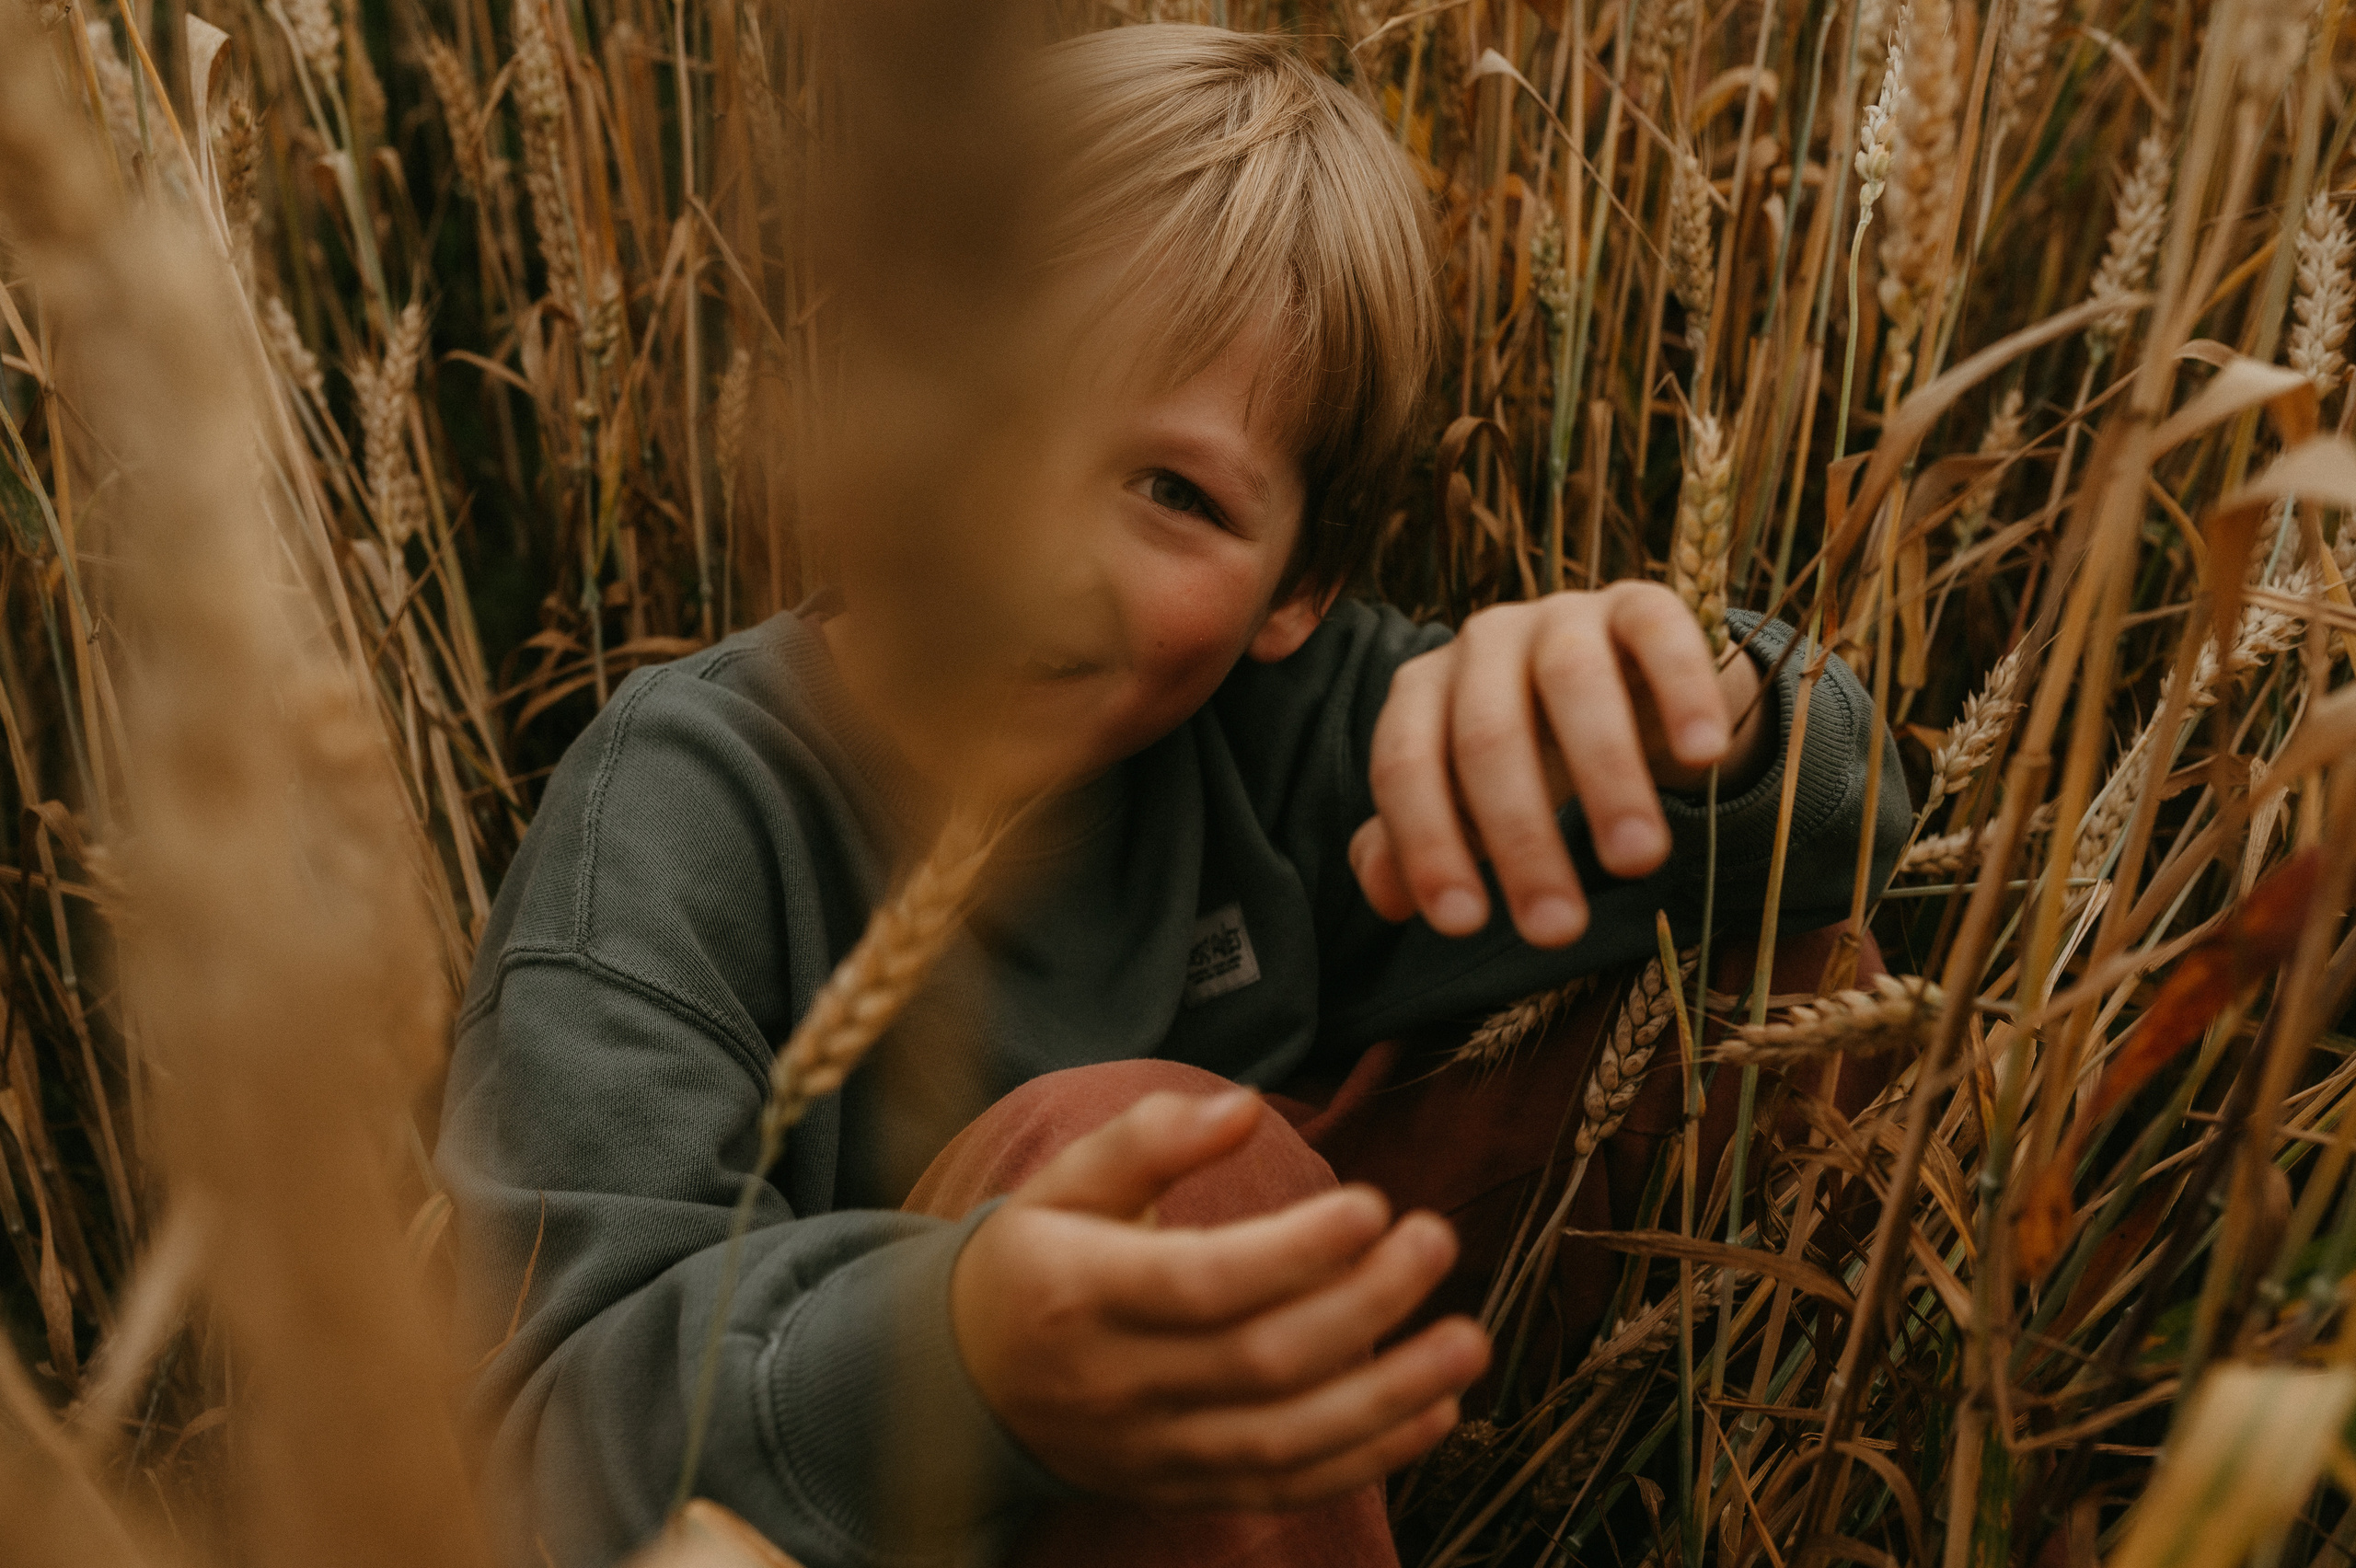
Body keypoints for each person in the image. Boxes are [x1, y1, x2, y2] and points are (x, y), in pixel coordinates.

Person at [437, 23, 1909, 1568]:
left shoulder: (1314, 718)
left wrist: (1702, 715)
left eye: (1174, 493)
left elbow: (1835, 840)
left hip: (1322, 1419)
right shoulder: (680, 809)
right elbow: (537, 1432)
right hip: (847, 1507)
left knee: (1789, 1002)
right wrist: (955, 1361)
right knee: (1164, 1163)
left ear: (1302, 586)